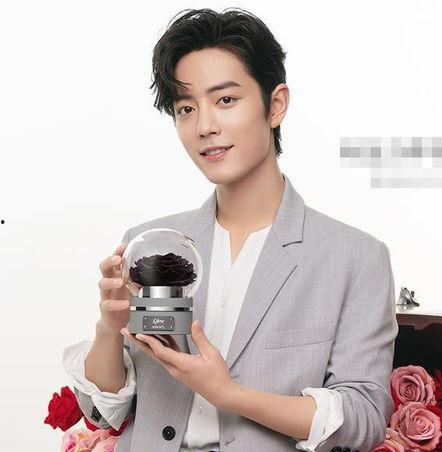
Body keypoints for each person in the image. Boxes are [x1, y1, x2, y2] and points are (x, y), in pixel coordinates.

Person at [63, 7, 398, 451]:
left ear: (275, 105)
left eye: (225, 100)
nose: (205, 127)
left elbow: (364, 418)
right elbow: (103, 411)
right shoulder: (153, 245)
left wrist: (230, 395)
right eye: (186, 108)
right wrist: (110, 328)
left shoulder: (355, 258)